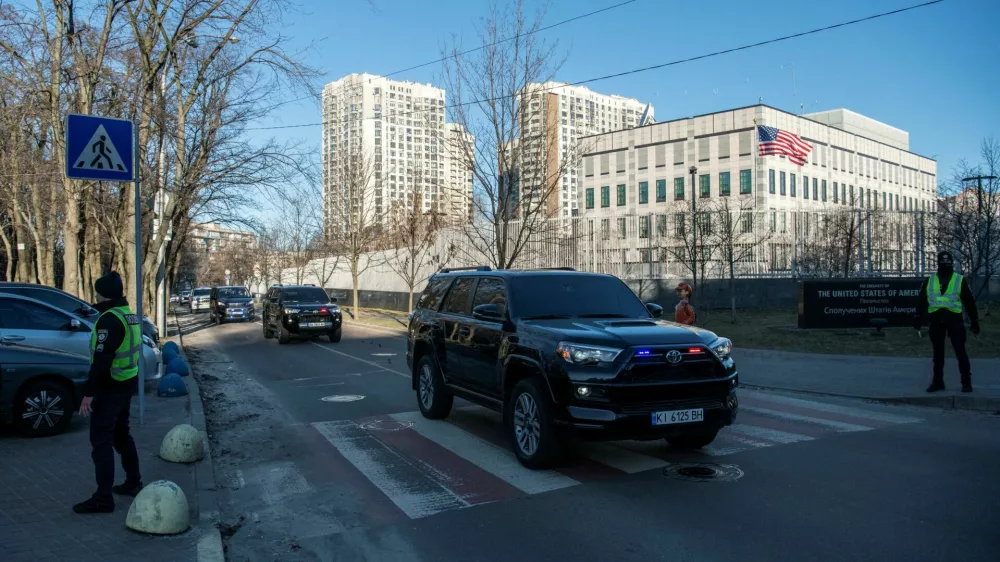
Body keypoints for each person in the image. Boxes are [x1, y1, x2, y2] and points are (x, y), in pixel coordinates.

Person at [73, 271, 143, 514]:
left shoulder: (109, 319)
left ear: (104, 294)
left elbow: (102, 360)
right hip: (127, 383)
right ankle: (133, 482)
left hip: (110, 387)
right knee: (122, 435)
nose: (95, 296)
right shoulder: (128, 314)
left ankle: (103, 497)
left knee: (101, 440)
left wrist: (88, 393)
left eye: (97, 293)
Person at [914, 251, 980, 394]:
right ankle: (938, 382)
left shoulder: (959, 279)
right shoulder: (930, 280)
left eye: (946, 262)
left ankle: (966, 382)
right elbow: (922, 300)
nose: (945, 264)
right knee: (938, 354)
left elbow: (969, 301)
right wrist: (918, 316)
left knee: (960, 352)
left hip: (954, 320)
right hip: (936, 321)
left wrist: (975, 320)